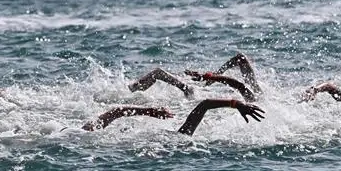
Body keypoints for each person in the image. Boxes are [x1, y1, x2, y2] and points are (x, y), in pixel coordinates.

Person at [82, 99, 265, 136]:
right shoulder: (182, 138)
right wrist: (237, 104)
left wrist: (149, 110)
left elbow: (116, 111)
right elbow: (204, 105)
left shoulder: (81, 133)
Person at [128, 52, 261, 102]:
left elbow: (239, 85)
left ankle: (130, 92)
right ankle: (131, 92)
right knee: (158, 73)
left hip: (201, 96)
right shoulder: (258, 95)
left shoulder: (255, 97)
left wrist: (213, 77)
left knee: (158, 73)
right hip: (207, 93)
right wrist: (214, 76)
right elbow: (240, 58)